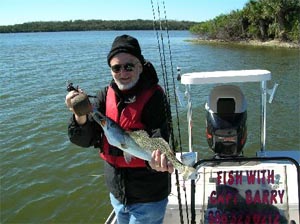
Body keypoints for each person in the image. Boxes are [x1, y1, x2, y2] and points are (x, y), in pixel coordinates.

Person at [65, 34, 174, 224]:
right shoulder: (103, 95)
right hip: (116, 193)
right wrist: (79, 114)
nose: (123, 72)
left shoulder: (155, 96)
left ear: (140, 66)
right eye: (116, 67)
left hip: (148, 195)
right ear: (110, 70)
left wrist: (159, 160)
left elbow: (160, 134)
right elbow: (85, 139)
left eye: (129, 66)